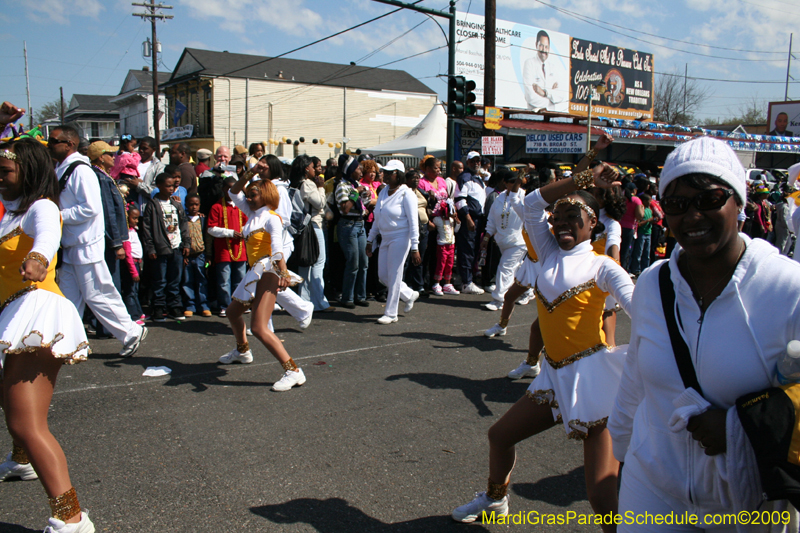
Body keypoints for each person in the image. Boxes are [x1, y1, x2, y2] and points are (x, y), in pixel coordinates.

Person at [608, 136, 800, 531]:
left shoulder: (788, 289)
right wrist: (622, 454)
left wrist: (739, 428)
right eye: (678, 205)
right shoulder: (652, 283)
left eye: (709, 199)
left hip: (749, 504)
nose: (693, 216)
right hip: (652, 490)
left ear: (738, 204)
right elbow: (636, 379)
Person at [452, 161, 633, 528]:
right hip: (553, 375)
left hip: (592, 380)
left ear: (592, 223)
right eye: (559, 217)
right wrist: (583, 179)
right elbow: (532, 204)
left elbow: (644, 311)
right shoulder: (547, 253)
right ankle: (495, 499)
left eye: (573, 216)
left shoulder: (603, 267)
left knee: (600, 494)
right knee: (500, 436)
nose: (562, 222)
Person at [0, 138, 95, 532]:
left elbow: (46, 238)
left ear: (30, 171)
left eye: (5, 172)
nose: (0, 179)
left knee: (28, 423)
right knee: (16, 411)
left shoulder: (41, 207)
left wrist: (38, 259)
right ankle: (22, 460)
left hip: (36, 310)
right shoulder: (9, 213)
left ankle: (71, 518)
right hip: (14, 311)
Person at [49, 125, 147, 358]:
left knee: (98, 294)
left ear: (69, 143)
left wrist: (57, 215)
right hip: (72, 244)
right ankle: (66, 343)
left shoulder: (81, 171)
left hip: (85, 244)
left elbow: (90, 209)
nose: (50, 144)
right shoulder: (62, 168)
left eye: (54, 141)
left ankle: (131, 331)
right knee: (68, 297)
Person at [217, 167, 306, 392]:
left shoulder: (271, 218)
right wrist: (249, 173)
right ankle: (242, 351)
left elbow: (277, 249)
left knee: (258, 326)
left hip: (268, 271)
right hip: (254, 271)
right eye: (249, 194)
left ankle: (293, 371)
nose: (248, 197)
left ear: (265, 195)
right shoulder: (251, 212)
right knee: (232, 312)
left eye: (254, 193)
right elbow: (233, 193)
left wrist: (283, 273)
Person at [261, 154, 314, 329]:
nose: (260, 170)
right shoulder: (262, 187)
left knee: (267, 282)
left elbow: (284, 220)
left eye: (264, 167)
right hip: (264, 244)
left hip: (279, 244)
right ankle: (299, 310)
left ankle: (301, 309)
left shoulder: (280, 190)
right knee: (265, 282)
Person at [366, 160, 420, 324]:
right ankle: (409, 294)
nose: (386, 175)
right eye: (386, 172)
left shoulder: (407, 194)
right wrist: (370, 239)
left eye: (391, 172)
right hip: (385, 237)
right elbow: (377, 218)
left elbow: (413, 222)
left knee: (395, 275)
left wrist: (415, 247)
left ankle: (391, 313)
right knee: (383, 275)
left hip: (400, 237)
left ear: (399, 175)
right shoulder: (383, 192)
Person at [141, 173, 190, 322]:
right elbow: (147, 229)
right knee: (160, 280)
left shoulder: (176, 204)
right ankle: (158, 307)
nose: (171, 189)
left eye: (173, 186)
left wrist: (186, 243)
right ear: (159, 186)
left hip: (176, 247)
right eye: (168, 186)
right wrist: (150, 248)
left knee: (175, 279)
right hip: (160, 248)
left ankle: (174, 306)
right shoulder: (153, 205)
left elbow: (184, 225)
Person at [480, 168, 528, 311]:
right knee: (517, 268)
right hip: (502, 241)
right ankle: (528, 291)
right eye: (511, 182)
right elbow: (492, 220)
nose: (514, 185)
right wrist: (486, 238)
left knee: (504, 268)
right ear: (505, 183)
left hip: (519, 241)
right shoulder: (499, 198)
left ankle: (499, 300)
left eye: (517, 181)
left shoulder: (524, 197)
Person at [295, 155, 332, 312]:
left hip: (306, 226)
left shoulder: (301, 183)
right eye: (312, 166)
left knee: (306, 263)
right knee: (318, 262)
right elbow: (320, 203)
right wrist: (321, 187)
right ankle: (319, 302)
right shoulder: (308, 184)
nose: (316, 170)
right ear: (306, 169)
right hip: (313, 225)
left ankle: (304, 301)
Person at [208, 176, 248, 317]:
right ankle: (225, 306)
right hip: (224, 249)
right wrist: (230, 233)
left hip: (240, 248)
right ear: (224, 189)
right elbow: (211, 229)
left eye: (234, 188)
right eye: (229, 188)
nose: (231, 191)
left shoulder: (242, 206)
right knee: (224, 281)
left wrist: (244, 231)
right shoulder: (217, 206)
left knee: (240, 279)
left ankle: (240, 304)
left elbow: (247, 223)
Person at [335, 156, 370, 309]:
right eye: (357, 168)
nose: (361, 171)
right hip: (348, 225)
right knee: (353, 262)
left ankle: (360, 296)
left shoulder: (356, 185)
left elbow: (363, 206)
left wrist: (366, 199)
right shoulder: (342, 186)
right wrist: (356, 192)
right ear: (350, 170)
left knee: (364, 262)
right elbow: (345, 208)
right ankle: (347, 297)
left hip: (360, 224)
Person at [455, 151, 487, 295]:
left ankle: (470, 279)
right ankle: (466, 282)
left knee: (474, 250)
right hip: (470, 218)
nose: (476, 163)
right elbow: (460, 200)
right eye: (473, 161)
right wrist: (467, 218)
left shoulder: (478, 178)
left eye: (478, 161)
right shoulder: (465, 178)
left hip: (478, 219)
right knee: (467, 250)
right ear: (467, 163)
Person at [522, 30, 568, 112]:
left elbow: (561, 95)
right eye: (541, 46)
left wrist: (544, 93)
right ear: (536, 45)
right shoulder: (529, 63)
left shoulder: (553, 68)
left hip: (551, 116)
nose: (544, 50)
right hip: (533, 116)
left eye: (546, 47)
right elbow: (530, 96)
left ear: (549, 48)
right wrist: (551, 101)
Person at [182, 194, 211, 318]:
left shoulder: (203, 219)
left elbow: (208, 237)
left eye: (196, 204)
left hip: (200, 255)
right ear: (186, 205)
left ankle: (204, 305)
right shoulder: (182, 219)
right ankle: (190, 305)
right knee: (187, 281)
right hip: (187, 256)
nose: (194, 207)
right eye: (191, 204)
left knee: (202, 281)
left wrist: (208, 255)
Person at [121, 205, 145, 325]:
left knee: (135, 290)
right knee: (130, 291)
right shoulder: (126, 233)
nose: (136, 221)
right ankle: (133, 316)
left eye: (137, 218)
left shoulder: (133, 231)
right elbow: (128, 254)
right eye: (134, 218)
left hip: (137, 263)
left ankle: (138, 311)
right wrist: (133, 272)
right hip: (132, 265)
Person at [134, 136, 165, 209]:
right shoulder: (133, 163)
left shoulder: (158, 167)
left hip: (148, 209)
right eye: (140, 148)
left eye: (145, 148)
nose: (141, 151)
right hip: (132, 209)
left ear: (153, 149)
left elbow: (156, 191)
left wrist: (138, 185)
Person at [619, 181, 644, 272]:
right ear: (634, 190)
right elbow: (639, 215)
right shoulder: (636, 200)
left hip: (618, 226)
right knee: (625, 252)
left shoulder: (621, 198)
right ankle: (623, 270)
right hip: (629, 228)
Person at [629, 193, 654, 276]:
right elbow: (638, 224)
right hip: (641, 233)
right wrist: (648, 220)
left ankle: (645, 269)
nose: (650, 202)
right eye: (649, 201)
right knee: (638, 252)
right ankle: (636, 269)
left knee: (646, 253)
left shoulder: (649, 210)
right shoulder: (641, 209)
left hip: (648, 233)